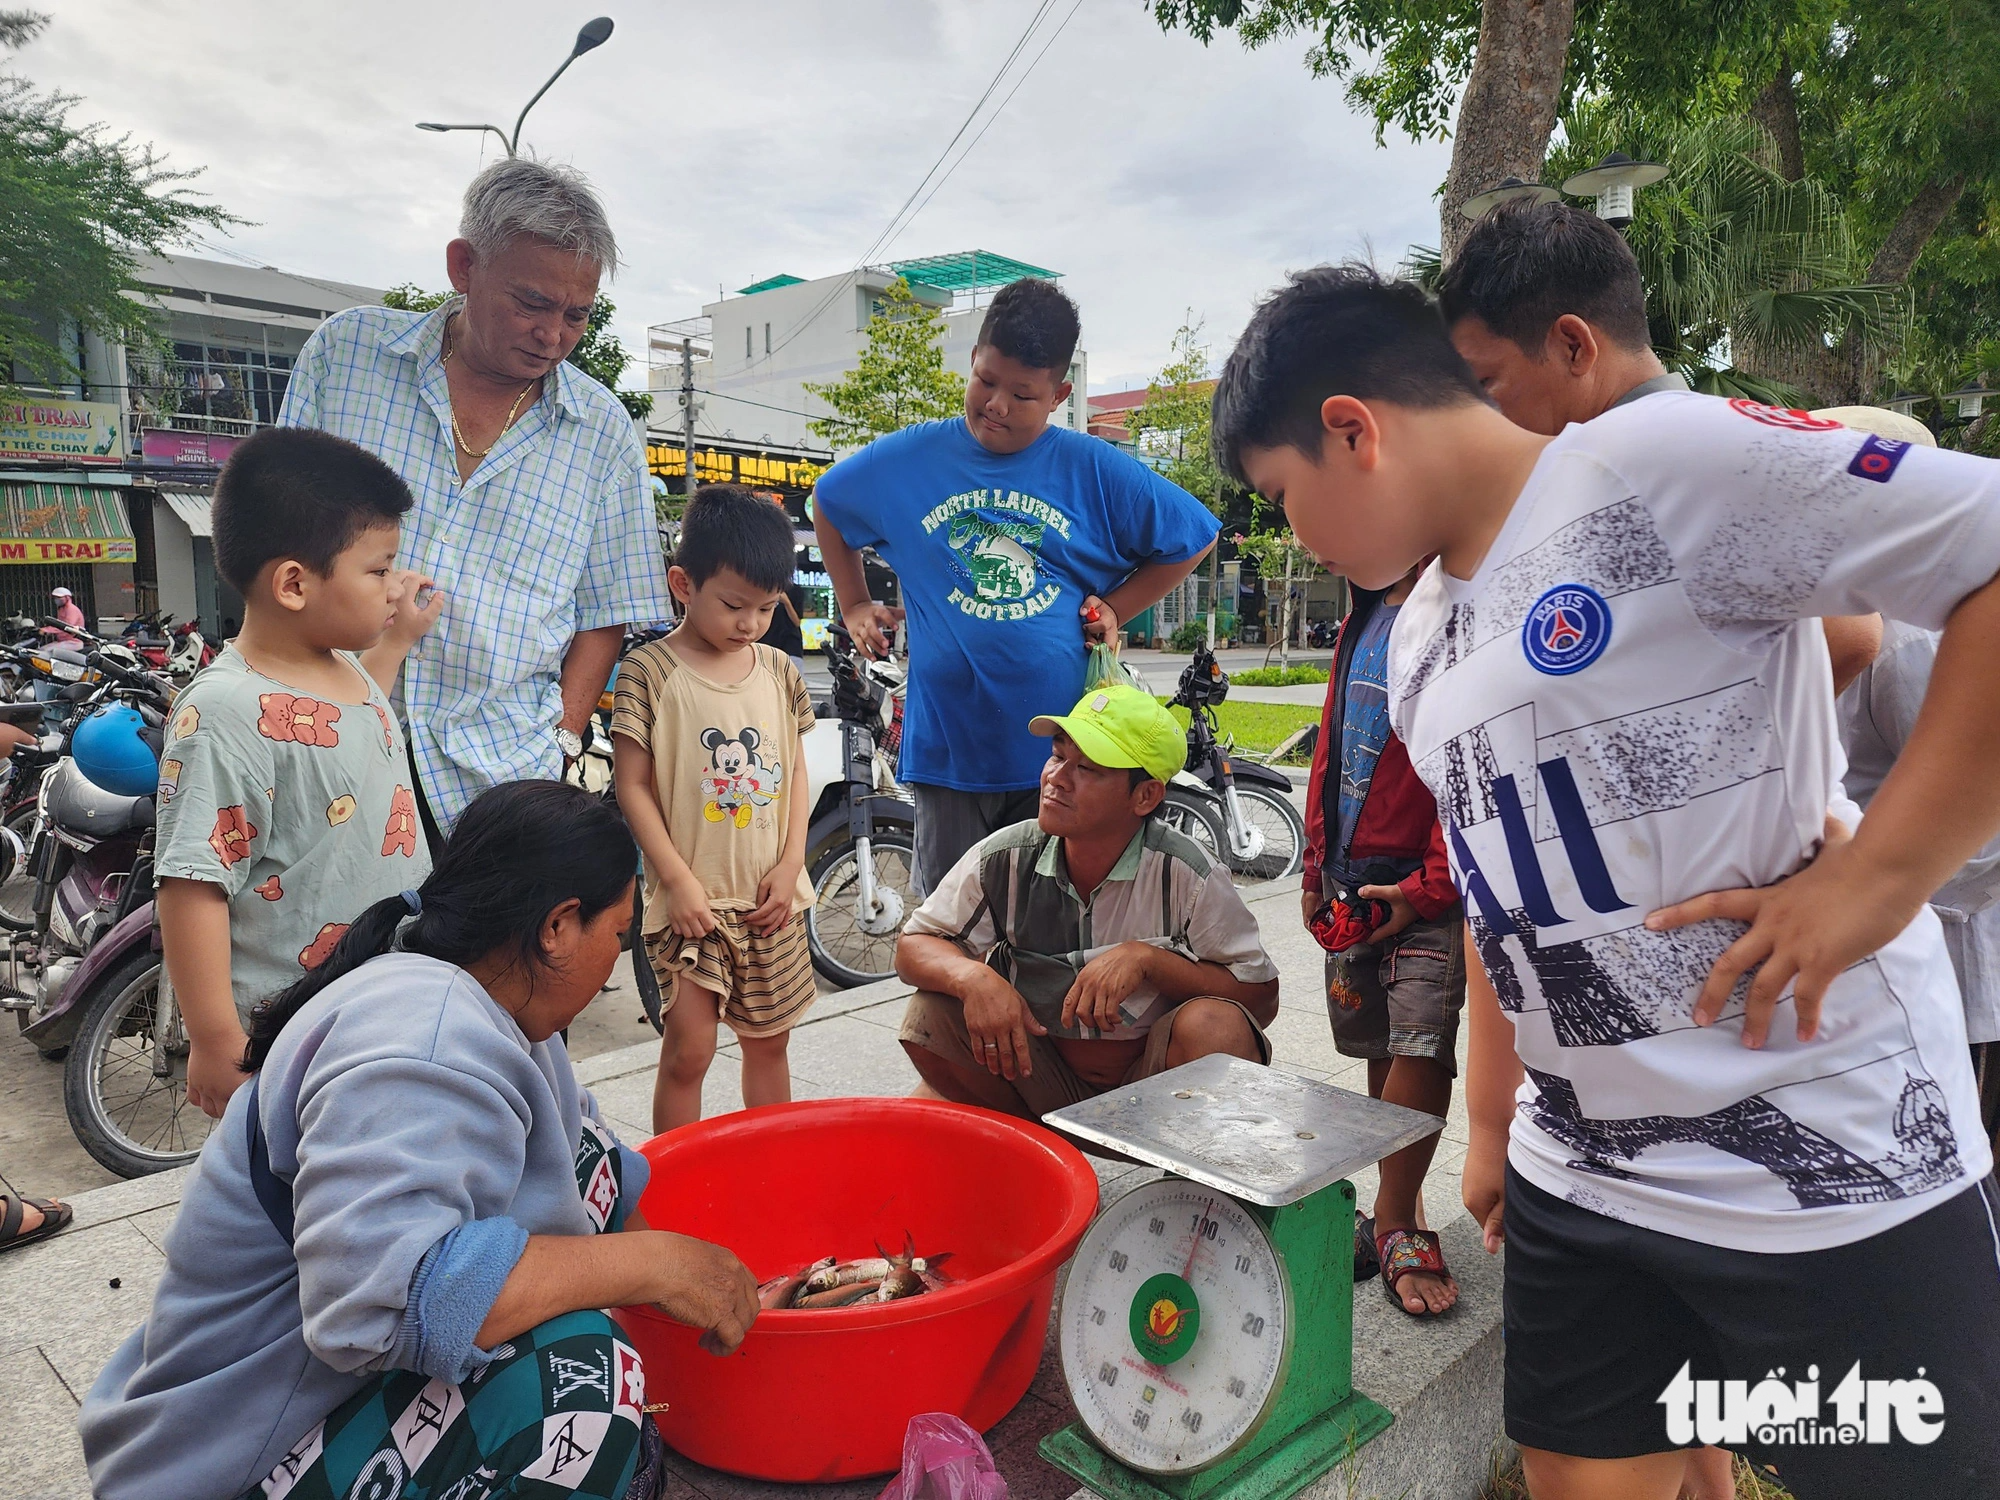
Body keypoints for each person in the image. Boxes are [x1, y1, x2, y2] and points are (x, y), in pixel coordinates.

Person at [1212, 263, 2000, 1499]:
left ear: (1349, 430)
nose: (1288, 537)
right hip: (1582, 1172)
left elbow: (1929, 588)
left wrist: (1878, 875)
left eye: (1277, 499)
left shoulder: (1664, 463)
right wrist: (1489, 1120)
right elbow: (1493, 887)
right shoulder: (1414, 631)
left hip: (1825, 1173)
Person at [80, 782, 760, 1500]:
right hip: (231, 1456)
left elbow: (595, 1181)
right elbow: (382, 1302)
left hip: (332, 1405)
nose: (614, 963)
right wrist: (655, 1264)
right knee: (581, 1380)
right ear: (558, 926)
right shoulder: (418, 1037)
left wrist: (713, 1287)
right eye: (617, 936)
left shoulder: (510, 1014)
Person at [279, 157, 672, 842]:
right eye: (531, 303)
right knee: (318, 950)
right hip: (321, 749)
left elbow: (606, 613)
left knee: (468, 955)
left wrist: (563, 740)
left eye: (577, 314)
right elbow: (273, 543)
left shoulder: (603, 431)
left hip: (497, 783)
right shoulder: (345, 359)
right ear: (465, 267)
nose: (554, 335)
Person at [811, 277, 1220, 895]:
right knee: (951, 929)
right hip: (950, 752)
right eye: (986, 381)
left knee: (1050, 925)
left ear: (1058, 395)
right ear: (974, 359)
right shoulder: (909, 459)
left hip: (1064, 761)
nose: (996, 404)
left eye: (1022, 394)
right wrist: (854, 602)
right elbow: (828, 505)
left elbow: (1195, 537)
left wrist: (1115, 605)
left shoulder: (1093, 468)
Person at [1437, 197, 1881, 696]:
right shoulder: (1606, 469)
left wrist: (1717, 751)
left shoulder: (1699, 457)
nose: (1481, 414)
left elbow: (1850, 635)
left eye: (1486, 382)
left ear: (1573, 346)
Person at [155, 427, 442, 1121]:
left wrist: (397, 636)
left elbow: (351, 723)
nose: (392, 585)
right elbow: (192, 880)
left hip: (382, 1003)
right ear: (293, 583)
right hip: (294, 1033)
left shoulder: (342, 667)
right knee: (304, 1195)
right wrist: (216, 1036)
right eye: (378, 571)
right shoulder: (226, 711)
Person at [896, 684, 1279, 1118]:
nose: (1056, 778)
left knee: (1216, 1025)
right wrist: (974, 979)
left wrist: (1149, 961)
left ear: (1145, 796)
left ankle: (1195, 1173)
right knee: (933, 1011)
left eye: (1087, 769)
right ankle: (1020, 1150)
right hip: (1034, 1081)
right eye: (1058, 756)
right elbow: (914, 945)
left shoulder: (1187, 872)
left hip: (1153, 1091)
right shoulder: (1004, 857)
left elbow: (1261, 997)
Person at [612, 485, 816, 1133]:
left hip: (769, 900)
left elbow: (796, 776)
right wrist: (676, 880)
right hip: (691, 904)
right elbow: (632, 786)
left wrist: (792, 866)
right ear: (683, 583)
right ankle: (673, 1184)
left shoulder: (780, 670)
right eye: (733, 605)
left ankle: (774, 1164)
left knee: (770, 1043)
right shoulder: (648, 671)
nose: (749, 623)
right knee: (688, 1052)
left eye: (764, 608)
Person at [1829, 406, 2000, 1152]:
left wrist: (1869, 901)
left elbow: (1977, 827)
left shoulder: (1910, 636)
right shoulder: (1849, 612)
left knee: (1959, 1156)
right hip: (1879, 949)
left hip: (1939, 960)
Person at [1302, 559, 1464, 1316]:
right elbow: (1330, 755)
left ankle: (1396, 1218)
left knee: (1421, 1041)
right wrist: (1313, 870)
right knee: (1376, 1042)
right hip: (1352, 883)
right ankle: (1404, 1193)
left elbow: (1465, 763)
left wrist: (1430, 885)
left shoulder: (1457, 607)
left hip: (1427, 890)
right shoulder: (1361, 612)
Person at [759, 579, 809, 676]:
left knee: (793, 684)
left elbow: (797, 622)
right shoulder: (764, 588)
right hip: (767, 643)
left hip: (791, 643)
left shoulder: (796, 590)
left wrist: (786, 602)